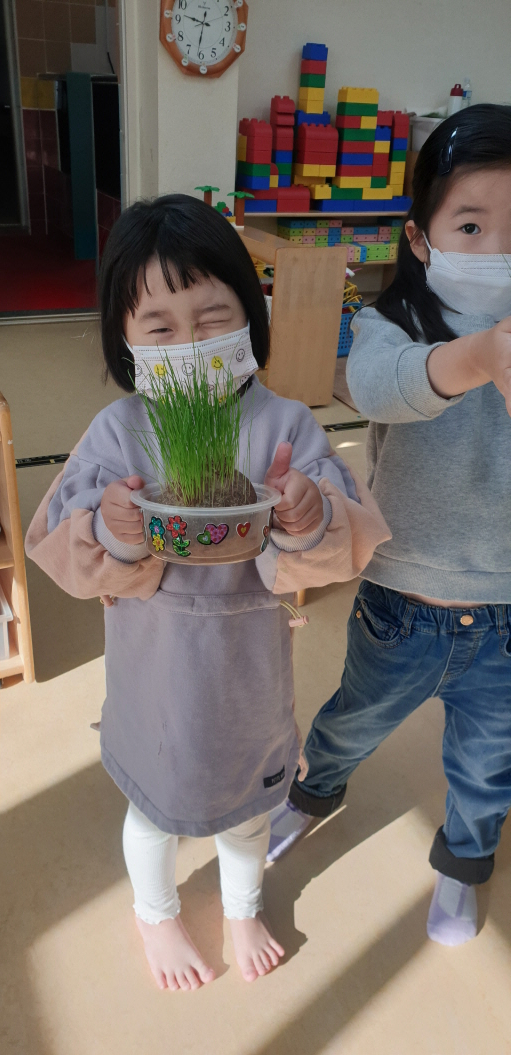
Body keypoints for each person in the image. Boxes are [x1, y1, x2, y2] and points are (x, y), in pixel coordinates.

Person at [25, 194, 389, 991]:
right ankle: (155, 913)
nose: (188, 341)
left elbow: (336, 547)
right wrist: (115, 526)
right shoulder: (117, 433)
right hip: (155, 668)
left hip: (245, 669)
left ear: (249, 318)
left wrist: (306, 513)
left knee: (250, 807)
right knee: (153, 811)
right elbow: (60, 545)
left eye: (211, 315)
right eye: (159, 326)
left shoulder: (286, 424)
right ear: (125, 340)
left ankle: (240, 903)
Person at [268, 104, 511, 948]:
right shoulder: (392, 324)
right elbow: (375, 388)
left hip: (507, 614)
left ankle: (461, 867)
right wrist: (478, 359)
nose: (494, 249)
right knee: (351, 718)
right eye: (471, 225)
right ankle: (312, 792)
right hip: (401, 596)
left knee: (487, 768)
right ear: (419, 238)